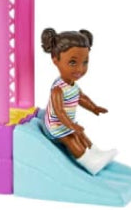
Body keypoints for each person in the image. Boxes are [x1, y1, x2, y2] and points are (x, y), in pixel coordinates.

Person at [41, 27, 117, 174]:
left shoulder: (73, 85)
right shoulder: (58, 89)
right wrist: (71, 125)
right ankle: (90, 163)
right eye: (73, 63)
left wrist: (94, 107)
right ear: (55, 60)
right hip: (55, 127)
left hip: (67, 123)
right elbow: (59, 111)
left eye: (85, 62)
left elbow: (81, 98)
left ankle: (96, 153)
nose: (80, 69)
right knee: (71, 139)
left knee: (81, 135)